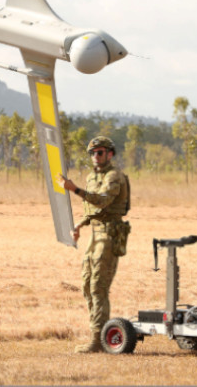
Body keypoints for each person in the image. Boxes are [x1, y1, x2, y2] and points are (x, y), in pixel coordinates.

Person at [58, 136, 129, 353]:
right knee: (87, 286)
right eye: (93, 153)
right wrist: (79, 225)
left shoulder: (114, 176)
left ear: (110, 154)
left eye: (100, 152)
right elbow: (94, 210)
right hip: (94, 236)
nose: (96, 157)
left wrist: (74, 189)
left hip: (108, 236)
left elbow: (102, 200)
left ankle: (99, 340)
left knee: (98, 288)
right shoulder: (91, 178)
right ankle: (97, 335)